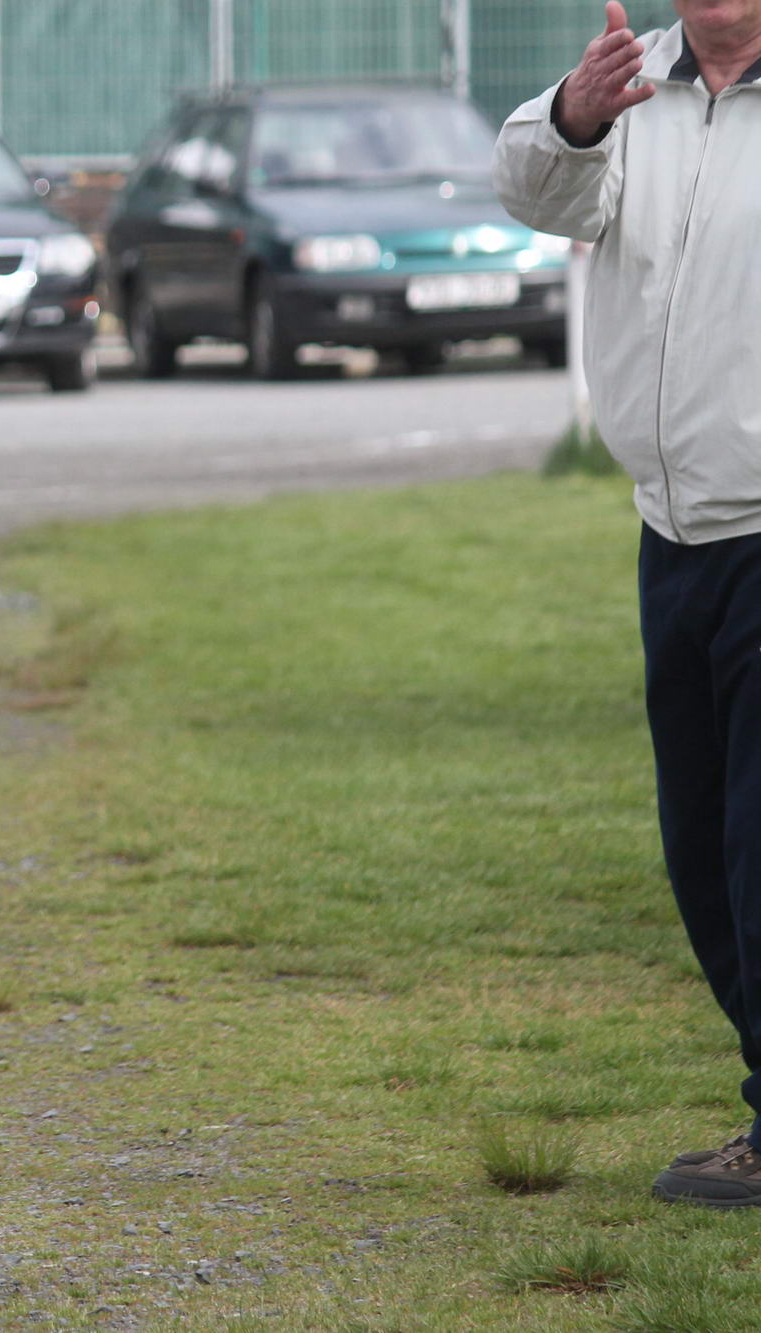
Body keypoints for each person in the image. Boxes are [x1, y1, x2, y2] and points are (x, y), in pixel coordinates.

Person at [495, 0, 761, 1207]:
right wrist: (573, 117)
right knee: (699, 846)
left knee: (755, 848)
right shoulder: (627, 83)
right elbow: (530, 191)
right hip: (671, 528)